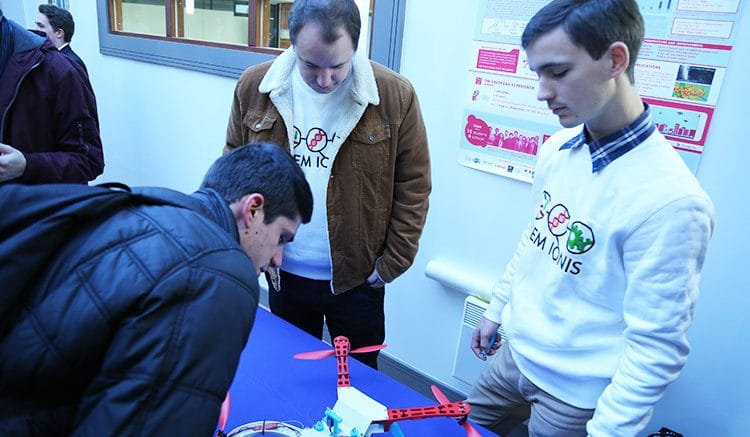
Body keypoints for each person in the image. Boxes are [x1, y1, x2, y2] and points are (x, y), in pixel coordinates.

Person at [466, 0, 715, 435]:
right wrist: (497, 307)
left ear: (615, 60)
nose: (542, 92)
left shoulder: (673, 201)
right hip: (513, 357)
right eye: (538, 74)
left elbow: (656, 348)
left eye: (558, 72)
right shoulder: (557, 150)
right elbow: (535, 239)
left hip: (574, 396)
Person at [0, 142, 313, 435]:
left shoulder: (145, 205)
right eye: (282, 238)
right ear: (253, 209)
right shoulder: (218, 272)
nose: (278, 258)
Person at [225, 0, 431, 369]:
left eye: (337, 66)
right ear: (292, 44)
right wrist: (245, 246)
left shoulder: (394, 97)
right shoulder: (255, 87)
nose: (324, 80)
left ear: (355, 47)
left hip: (358, 278)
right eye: (311, 65)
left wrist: (392, 262)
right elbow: (233, 172)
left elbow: (414, 186)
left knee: (359, 381)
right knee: (292, 371)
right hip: (282, 270)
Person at [0, 9, 102, 184]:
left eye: (41, 25)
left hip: (35, 199)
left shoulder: (63, 70)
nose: (37, 29)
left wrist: (27, 166)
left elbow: (89, 160)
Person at [36, 4, 86, 72]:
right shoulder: (46, 57)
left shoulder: (72, 63)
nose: (36, 30)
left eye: (41, 26)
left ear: (59, 33)